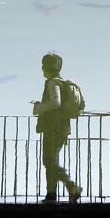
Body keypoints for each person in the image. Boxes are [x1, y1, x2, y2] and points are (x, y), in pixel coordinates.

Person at [32, 52, 82, 204]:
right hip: (62, 127)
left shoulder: (52, 83)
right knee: (51, 160)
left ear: (45, 67)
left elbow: (56, 103)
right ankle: (51, 194)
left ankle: (70, 186)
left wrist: (39, 108)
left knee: (49, 161)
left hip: (53, 127)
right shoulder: (62, 82)